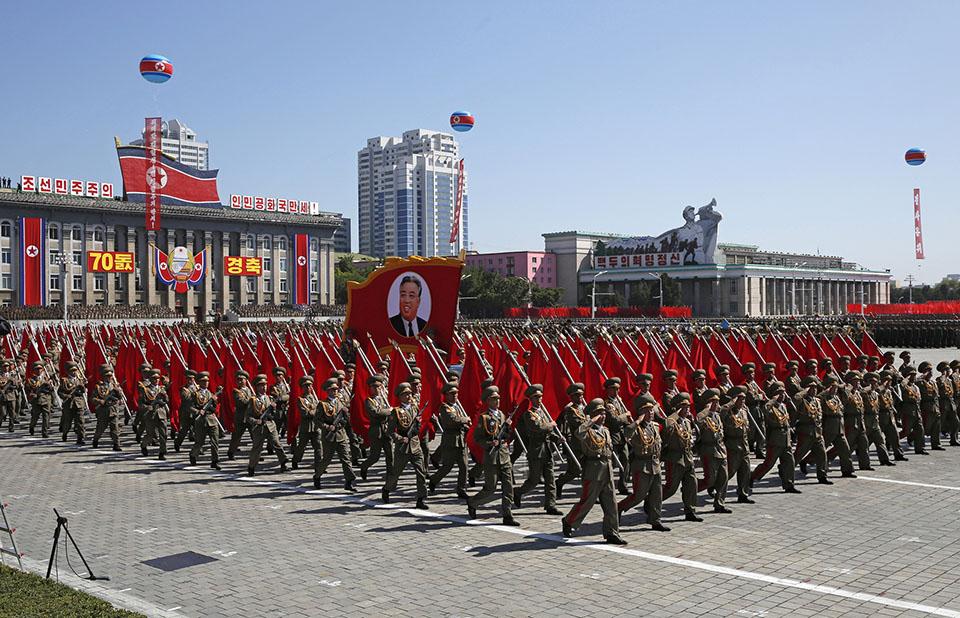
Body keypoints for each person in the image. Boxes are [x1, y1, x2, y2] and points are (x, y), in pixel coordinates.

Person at [561, 398, 627, 544]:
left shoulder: (606, 431)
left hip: (607, 470)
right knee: (587, 502)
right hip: (593, 470)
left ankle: (612, 533)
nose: (603, 416)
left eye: (604, 413)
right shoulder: (587, 430)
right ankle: (569, 521)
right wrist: (591, 420)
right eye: (599, 413)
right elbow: (578, 432)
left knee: (611, 504)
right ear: (592, 415)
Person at [467, 386, 519, 526]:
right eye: (494, 399)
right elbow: (478, 438)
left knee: (508, 488)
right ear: (488, 400)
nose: (498, 401)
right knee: (491, 488)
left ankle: (507, 515)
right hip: (491, 457)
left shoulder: (502, 415)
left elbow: (505, 436)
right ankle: (473, 502)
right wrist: (490, 443)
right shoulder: (484, 418)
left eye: (498, 398)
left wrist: (507, 428)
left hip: (504, 455)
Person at [617, 397, 669, 532]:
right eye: (647, 411)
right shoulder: (636, 427)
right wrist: (638, 420)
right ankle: (619, 508)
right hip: (642, 465)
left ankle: (655, 520)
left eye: (652, 410)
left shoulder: (655, 426)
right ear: (641, 412)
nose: (651, 413)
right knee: (639, 495)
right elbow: (626, 433)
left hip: (655, 464)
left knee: (657, 494)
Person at [513, 384, 561, 515]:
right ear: (531, 399)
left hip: (547, 450)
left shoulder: (542, 413)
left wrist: (556, 438)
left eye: (540, 397)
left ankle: (550, 505)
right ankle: (518, 492)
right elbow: (538, 428)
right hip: (536, 451)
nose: (539, 399)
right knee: (533, 480)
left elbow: (547, 432)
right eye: (536, 397)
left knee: (550, 480)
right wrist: (550, 425)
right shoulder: (529, 414)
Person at [382, 382, 428, 509]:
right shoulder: (395, 412)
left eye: (409, 394)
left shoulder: (415, 408)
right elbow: (390, 431)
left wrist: (418, 424)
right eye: (405, 394)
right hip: (403, 447)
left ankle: (421, 498)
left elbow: (418, 428)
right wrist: (401, 438)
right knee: (396, 473)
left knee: (421, 472)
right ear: (400, 396)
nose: (408, 396)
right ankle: (386, 489)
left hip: (415, 445)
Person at [750, 382, 800, 493]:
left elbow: (794, 411)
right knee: (768, 464)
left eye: (783, 393)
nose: (782, 395)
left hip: (786, 440)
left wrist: (789, 401)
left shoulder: (783, 406)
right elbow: (765, 410)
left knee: (789, 462)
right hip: (775, 440)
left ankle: (789, 484)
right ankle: (752, 477)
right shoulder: (770, 406)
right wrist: (773, 399)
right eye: (779, 393)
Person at [662, 393, 702, 522]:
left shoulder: (688, 422)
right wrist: (676, 414)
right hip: (675, 458)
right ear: (678, 409)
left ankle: (690, 511)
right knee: (671, 488)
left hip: (687, 457)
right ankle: (651, 502)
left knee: (691, 485)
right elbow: (667, 427)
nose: (687, 410)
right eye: (684, 408)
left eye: (688, 407)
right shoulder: (671, 421)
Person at [428, 381, 471, 499]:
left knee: (464, 466)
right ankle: (433, 480)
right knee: (447, 466)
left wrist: (467, 424)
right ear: (446, 395)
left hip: (461, 440)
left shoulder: (458, 407)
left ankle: (461, 489)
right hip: (451, 440)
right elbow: (452, 420)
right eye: (452, 394)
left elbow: (461, 421)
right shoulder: (444, 407)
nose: (455, 396)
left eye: (456, 393)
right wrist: (465, 419)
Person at [314, 379, 356, 491]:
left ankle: (349, 481)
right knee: (327, 459)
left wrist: (346, 415)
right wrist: (327, 427)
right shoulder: (322, 405)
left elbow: (347, 418)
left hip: (341, 434)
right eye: (333, 390)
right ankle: (317, 476)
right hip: (329, 436)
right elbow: (317, 421)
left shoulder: (342, 402)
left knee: (346, 459)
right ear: (328, 391)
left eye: (336, 389)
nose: (335, 391)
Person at [696, 389, 731, 513]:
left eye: (717, 402)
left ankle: (719, 503)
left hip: (720, 449)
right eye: (714, 402)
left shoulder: (717, 415)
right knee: (710, 479)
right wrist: (707, 409)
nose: (717, 404)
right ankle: (691, 489)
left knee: (724, 477)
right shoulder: (703, 415)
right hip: (708, 450)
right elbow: (698, 422)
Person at [246, 373, 288, 476]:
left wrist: (273, 409)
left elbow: (275, 414)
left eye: (265, 385)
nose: (264, 387)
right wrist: (256, 421)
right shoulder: (253, 400)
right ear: (256, 387)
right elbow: (248, 417)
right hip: (259, 427)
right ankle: (251, 467)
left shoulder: (270, 398)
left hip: (270, 425)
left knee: (277, 444)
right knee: (257, 448)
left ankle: (283, 463)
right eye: (261, 385)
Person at [720, 386, 753, 503]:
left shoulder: (744, 411)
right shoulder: (727, 411)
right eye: (740, 399)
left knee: (745, 470)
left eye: (744, 399)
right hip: (733, 444)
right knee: (730, 471)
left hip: (743, 444)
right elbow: (721, 411)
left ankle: (743, 494)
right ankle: (716, 487)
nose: (743, 402)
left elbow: (746, 426)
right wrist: (731, 403)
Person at [820, 375, 857, 478]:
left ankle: (847, 471)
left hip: (839, 428)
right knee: (821, 451)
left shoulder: (837, 397)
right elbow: (818, 398)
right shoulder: (823, 397)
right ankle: (807, 462)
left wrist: (843, 387)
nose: (835, 389)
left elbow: (846, 398)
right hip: (829, 427)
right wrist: (827, 391)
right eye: (833, 387)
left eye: (836, 388)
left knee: (845, 450)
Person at [556, 382, 588, 498]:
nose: (580, 398)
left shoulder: (584, 408)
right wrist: (592, 420)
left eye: (581, 395)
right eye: (577, 396)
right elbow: (579, 425)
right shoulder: (570, 411)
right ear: (572, 397)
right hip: (576, 445)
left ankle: (588, 495)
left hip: (587, 445)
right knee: (575, 471)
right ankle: (559, 482)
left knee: (587, 471)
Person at [359, 375, 392, 479]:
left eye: (379, 387)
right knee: (375, 456)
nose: (378, 389)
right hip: (376, 430)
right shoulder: (369, 401)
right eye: (375, 387)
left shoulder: (384, 399)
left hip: (386, 429)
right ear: (371, 388)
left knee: (390, 455)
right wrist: (389, 411)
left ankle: (390, 474)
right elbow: (375, 412)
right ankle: (364, 466)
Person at [602, 377, 631, 494]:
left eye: (618, 389)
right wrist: (625, 415)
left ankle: (623, 485)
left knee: (626, 460)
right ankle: (605, 487)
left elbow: (624, 421)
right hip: (612, 436)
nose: (616, 391)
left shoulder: (619, 402)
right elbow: (614, 421)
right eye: (613, 389)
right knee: (611, 463)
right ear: (608, 390)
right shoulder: (607, 404)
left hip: (622, 436)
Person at [189, 372, 222, 470]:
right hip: (201, 420)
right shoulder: (195, 394)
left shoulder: (211, 394)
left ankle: (215, 461)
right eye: (204, 381)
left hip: (211, 419)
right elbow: (190, 407)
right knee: (199, 442)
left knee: (215, 441)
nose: (206, 383)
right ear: (199, 382)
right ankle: (193, 454)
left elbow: (214, 408)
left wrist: (215, 401)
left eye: (207, 381)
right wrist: (198, 411)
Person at [291, 375, 321, 470]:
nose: (308, 388)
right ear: (302, 388)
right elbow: (305, 413)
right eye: (306, 386)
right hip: (306, 427)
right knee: (301, 447)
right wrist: (316, 412)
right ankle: (295, 460)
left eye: (310, 386)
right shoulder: (301, 400)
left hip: (316, 426)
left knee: (318, 447)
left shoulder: (316, 398)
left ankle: (319, 465)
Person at [140, 369, 169, 460]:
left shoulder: (162, 389)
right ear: (150, 379)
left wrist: (165, 396)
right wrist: (147, 407)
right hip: (150, 414)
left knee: (163, 434)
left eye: (157, 378)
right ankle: (143, 445)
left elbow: (167, 401)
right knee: (151, 435)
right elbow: (141, 403)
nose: (156, 380)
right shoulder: (145, 389)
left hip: (161, 413)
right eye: (154, 378)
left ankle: (162, 452)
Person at [227, 370, 254, 460]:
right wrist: (252, 400)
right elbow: (241, 402)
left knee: (254, 436)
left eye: (242, 379)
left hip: (250, 416)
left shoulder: (250, 390)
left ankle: (256, 453)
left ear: (246, 380)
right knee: (237, 436)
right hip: (241, 417)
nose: (240, 381)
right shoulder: (236, 391)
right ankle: (231, 452)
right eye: (238, 380)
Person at [58, 361, 86, 445]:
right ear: (68, 371)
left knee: (80, 421)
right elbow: (60, 392)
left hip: (78, 403)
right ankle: (65, 433)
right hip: (69, 404)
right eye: (72, 371)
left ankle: (80, 438)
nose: (74, 372)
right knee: (68, 422)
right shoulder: (64, 381)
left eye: (75, 370)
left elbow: (83, 391)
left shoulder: (79, 380)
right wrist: (66, 396)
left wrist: (82, 386)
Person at [917, 361, 943, 452]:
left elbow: (936, 396)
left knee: (936, 426)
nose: (930, 372)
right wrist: (923, 375)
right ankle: (913, 438)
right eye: (928, 370)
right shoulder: (920, 382)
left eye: (931, 370)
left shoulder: (933, 382)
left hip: (935, 406)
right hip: (926, 407)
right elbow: (915, 381)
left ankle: (936, 444)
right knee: (925, 427)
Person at [26, 361, 53, 438]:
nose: (38, 370)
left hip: (46, 399)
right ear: (34, 370)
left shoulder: (47, 378)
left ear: (43, 370)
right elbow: (29, 389)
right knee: (35, 416)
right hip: (36, 400)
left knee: (46, 416)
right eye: (37, 369)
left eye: (40, 369)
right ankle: (32, 426)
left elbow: (51, 390)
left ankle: (44, 432)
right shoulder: (31, 380)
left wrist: (50, 384)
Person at [173, 369, 198, 452]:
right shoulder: (183, 389)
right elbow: (186, 398)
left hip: (196, 412)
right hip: (186, 412)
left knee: (198, 431)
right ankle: (177, 442)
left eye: (192, 379)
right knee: (184, 430)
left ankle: (198, 448)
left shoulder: (198, 387)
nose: (190, 380)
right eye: (188, 379)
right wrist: (195, 393)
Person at [0, 359, 21, 432]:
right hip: (2, 396)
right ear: (2, 367)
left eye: (7, 366)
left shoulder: (13, 375)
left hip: (11, 396)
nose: (6, 368)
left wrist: (11, 386)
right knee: (3, 413)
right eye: (4, 366)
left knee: (12, 413)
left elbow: (16, 386)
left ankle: (11, 427)